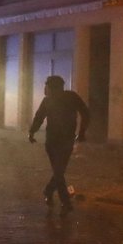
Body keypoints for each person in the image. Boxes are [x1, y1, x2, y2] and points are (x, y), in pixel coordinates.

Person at [28, 75, 90, 214]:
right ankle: (64, 200)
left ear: (52, 88)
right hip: (60, 141)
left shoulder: (52, 100)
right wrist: (82, 132)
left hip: (57, 141)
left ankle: (49, 192)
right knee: (59, 171)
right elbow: (85, 113)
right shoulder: (68, 97)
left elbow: (38, 118)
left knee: (59, 171)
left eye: (47, 86)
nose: (45, 89)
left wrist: (32, 132)